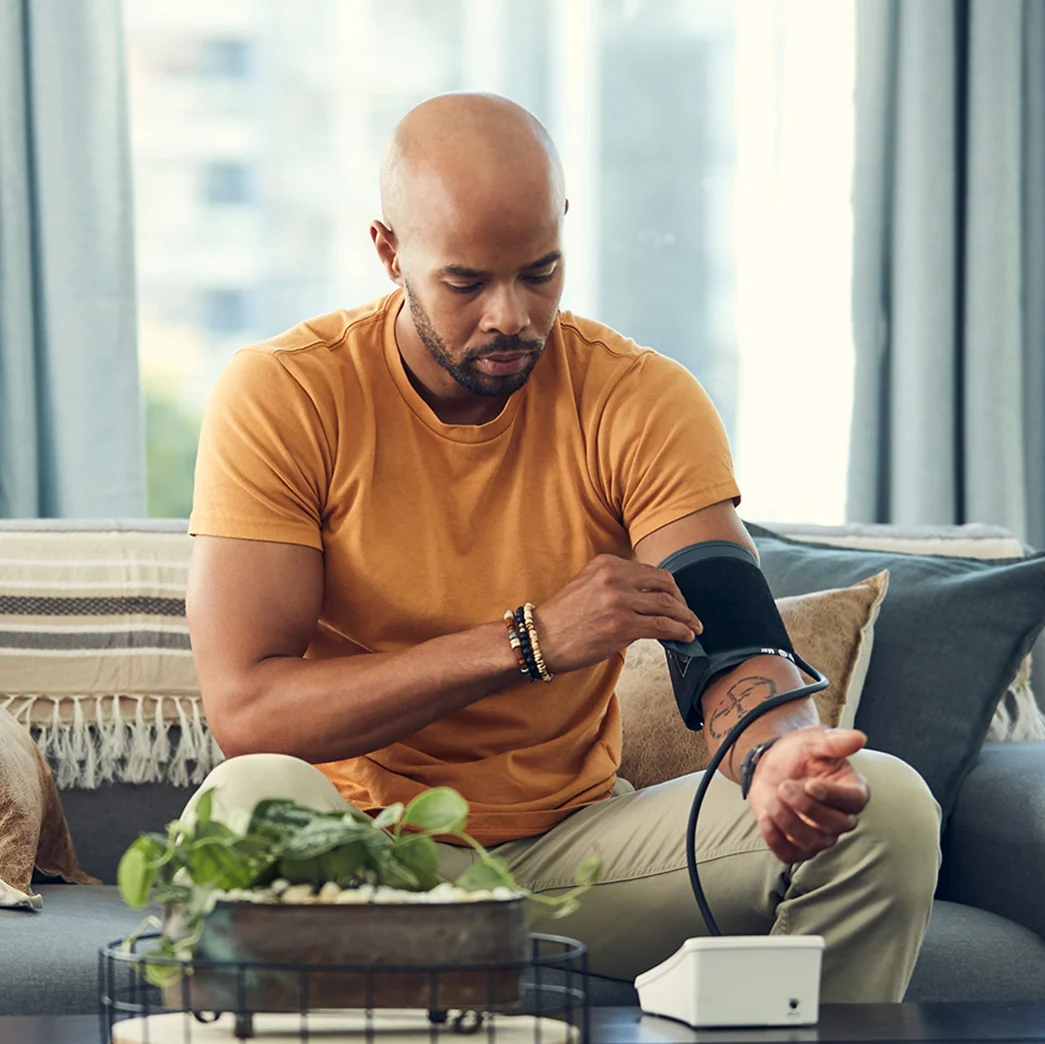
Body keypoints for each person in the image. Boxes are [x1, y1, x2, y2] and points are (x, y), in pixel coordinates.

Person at [185, 92, 940, 1002]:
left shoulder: (637, 397)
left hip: (572, 861)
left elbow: (732, 637)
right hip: (355, 854)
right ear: (390, 252)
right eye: (465, 283)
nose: (510, 316)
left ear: (564, 231)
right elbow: (250, 711)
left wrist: (777, 748)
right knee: (246, 801)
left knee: (885, 804)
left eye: (539, 271)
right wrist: (529, 639)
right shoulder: (287, 394)